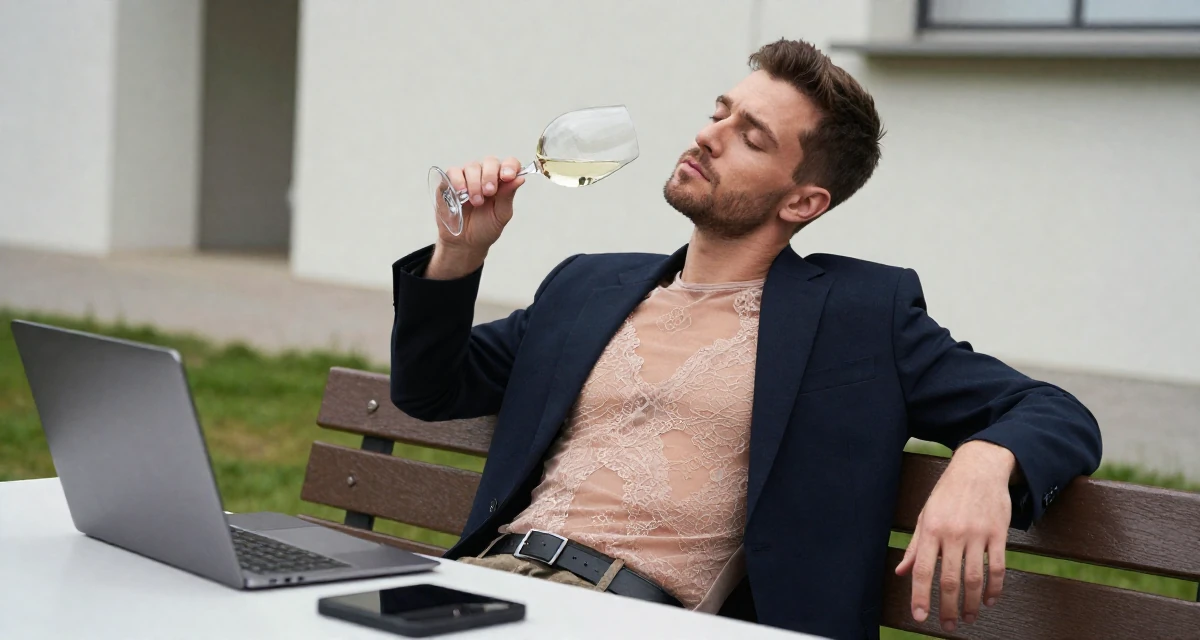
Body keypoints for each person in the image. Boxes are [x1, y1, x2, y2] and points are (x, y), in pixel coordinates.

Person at [389, 38, 1101, 640]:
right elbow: (430, 389)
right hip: (484, 585)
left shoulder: (861, 317)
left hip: (631, 615)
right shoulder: (589, 286)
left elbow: (1055, 412)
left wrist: (983, 460)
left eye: (750, 137)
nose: (709, 136)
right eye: (718, 114)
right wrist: (460, 254)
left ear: (803, 201)